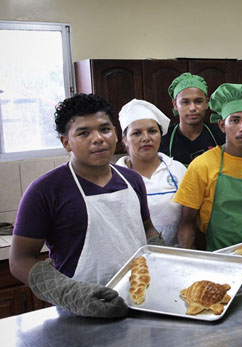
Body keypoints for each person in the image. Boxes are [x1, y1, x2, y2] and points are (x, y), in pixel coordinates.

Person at [9, 94, 161, 318]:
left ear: (115, 133)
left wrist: (164, 258)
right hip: (79, 312)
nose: (98, 138)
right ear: (66, 142)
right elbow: (20, 259)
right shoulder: (45, 190)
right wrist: (72, 294)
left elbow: (146, 228)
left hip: (140, 298)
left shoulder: (132, 180)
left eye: (105, 129)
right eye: (84, 133)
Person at [174, 83, 242, 251]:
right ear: (222, 126)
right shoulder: (202, 166)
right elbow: (187, 223)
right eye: (235, 120)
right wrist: (189, 259)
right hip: (217, 257)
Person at [116, 99, 187, 246]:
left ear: (161, 136)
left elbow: (189, 220)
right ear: (125, 139)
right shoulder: (116, 176)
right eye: (136, 133)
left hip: (177, 254)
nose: (146, 138)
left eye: (152, 131)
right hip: (134, 259)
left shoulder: (177, 169)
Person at [159, 73, 225, 166]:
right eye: (185, 102)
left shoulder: (221, 136)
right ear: (175, 104)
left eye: (198, 101)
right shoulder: (163, 139)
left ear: (206, 103)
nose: (192, 108)